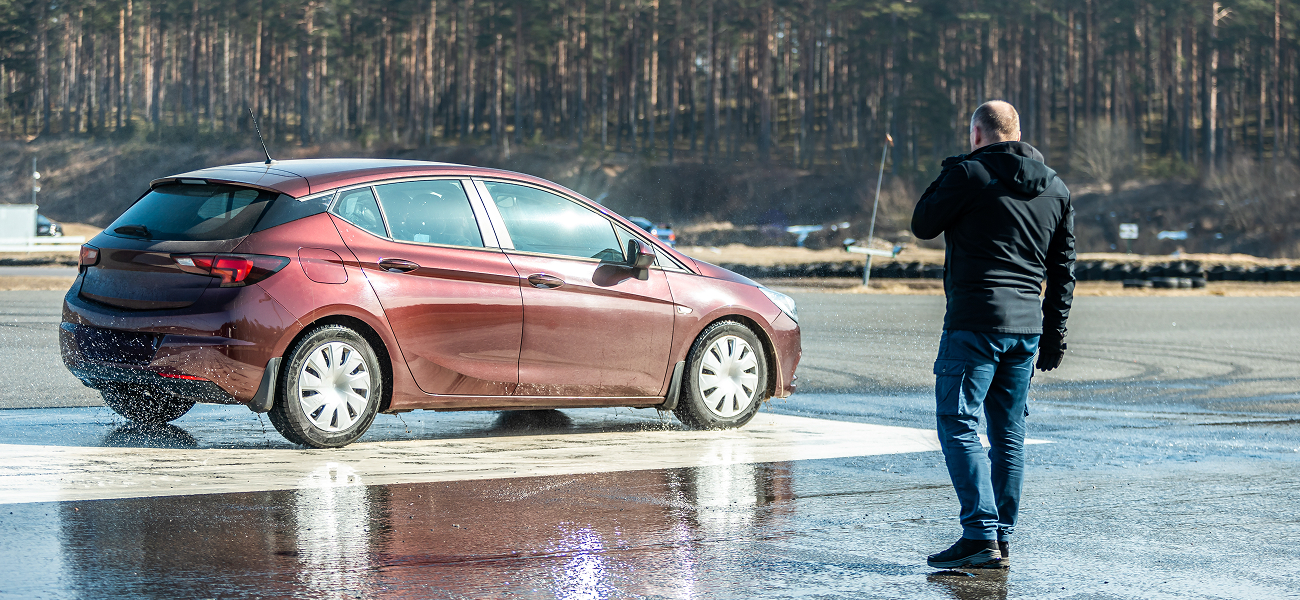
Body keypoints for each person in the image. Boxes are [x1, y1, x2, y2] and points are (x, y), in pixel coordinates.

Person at [911, 100, 1075, 569]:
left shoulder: (969, 175)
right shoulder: (1056, 188)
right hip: (1025, 329)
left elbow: (923, 223)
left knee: (958, 424)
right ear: (1018, 133)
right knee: (1009, 435)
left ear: (977, 134)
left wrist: (951, 172)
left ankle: (980, 534)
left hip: (974, 323)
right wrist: (1053, 333)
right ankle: (1000, 536)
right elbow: (1063, 269)